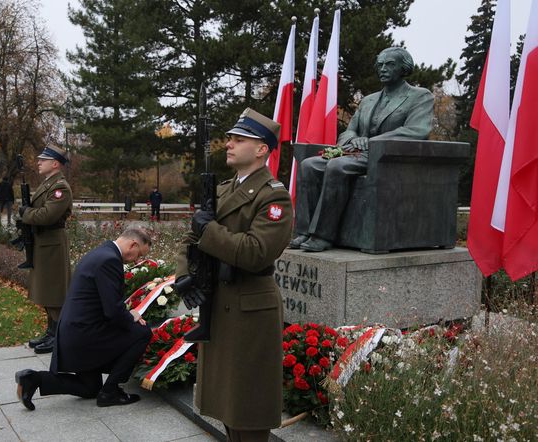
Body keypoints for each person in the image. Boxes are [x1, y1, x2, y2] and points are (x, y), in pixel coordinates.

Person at [175, 108, 293, 440]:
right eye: (229, 138)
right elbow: (190, 240)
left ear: (261, 149)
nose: (228, 144)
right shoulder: (224, 189)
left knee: (247, 410)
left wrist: (208, 230)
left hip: (249, 311)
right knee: (227, 407)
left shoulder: (274, 197)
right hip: (220, 306)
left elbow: (256, 253)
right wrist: (184, 275)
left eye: (239, 139)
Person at [290, 47, 434, 252]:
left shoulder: (419, 96)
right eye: (380, 65)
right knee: (308, 165)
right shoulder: (368, 100)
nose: (383, 69)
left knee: (338, 166)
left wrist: (372, 141)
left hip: (389, 156)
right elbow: (348, 132)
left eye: (390, 64)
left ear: (404, 68)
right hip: (356, 153)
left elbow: (417, 130)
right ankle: (303, 231)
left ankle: (322, 235)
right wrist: (355, 139)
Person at [14, 227, 153, 410]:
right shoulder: (110, 260)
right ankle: (111, 391)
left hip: (74, 331)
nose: (137, 260)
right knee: (142, 333)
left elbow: (103, 302)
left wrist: (127, 314)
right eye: (139, 254)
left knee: (90, 388)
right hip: (85, 335)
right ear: (133, 244)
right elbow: (113, 311)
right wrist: (132, 317)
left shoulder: (101, 252)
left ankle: (33, 379)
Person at [19, 145, 73, 354]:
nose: (38, 162)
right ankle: (51, 332)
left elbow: (47, 216)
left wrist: (26, 212)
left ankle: (59, 337)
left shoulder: (61, 187)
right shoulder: (49, 184)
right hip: (44, 243)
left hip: (52, 244)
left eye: (43, 159)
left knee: (55, 293)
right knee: (46, 290)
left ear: (55, 163)